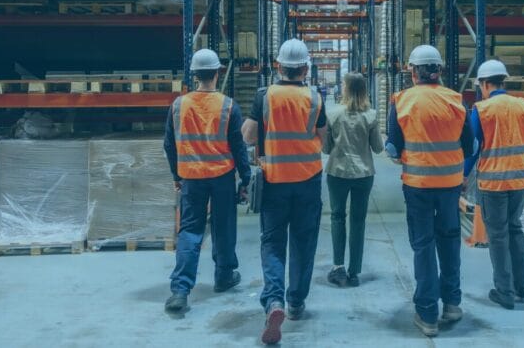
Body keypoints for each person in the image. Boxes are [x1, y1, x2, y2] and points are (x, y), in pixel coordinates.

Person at [241, 39, 327, 345]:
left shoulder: (265, 95)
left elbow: (249, 135)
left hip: (274, 180)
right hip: (308, 181)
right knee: (303, 244)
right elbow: (324, 139)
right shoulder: (316, 97)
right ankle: (296, 303)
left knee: (273, 244)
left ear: (278, 66)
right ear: (305, 67)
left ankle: (274, 301)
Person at [385, 45, 475, 338]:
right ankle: (451, 304)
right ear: (439, 71)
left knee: (423, 246)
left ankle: (427, 315)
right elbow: (470, 146)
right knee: (449, 240)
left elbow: (393, 150)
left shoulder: (401, 101)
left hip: (418, 186)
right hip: (450, 185)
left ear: (413, 72)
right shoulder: (456, 100)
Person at [163, 48, 252, 312]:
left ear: (195, 74)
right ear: (217, 72)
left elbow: (169, 144)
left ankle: (180, 290)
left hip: (191, 178)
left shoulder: (179, 105)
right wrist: (245, 179)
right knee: (224, 229)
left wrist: (176, 175)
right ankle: (224, 277)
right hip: (222, 177)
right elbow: (239, 147)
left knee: (190, 231)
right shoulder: (228, 105)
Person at [463, 59, 524, 310]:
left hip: (494, 182)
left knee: (497, 236)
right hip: (522, 179)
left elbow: (472, 149)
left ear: (484, 84)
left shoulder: (481, 110)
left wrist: (463, 176)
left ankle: (504, 291)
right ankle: (522, 285)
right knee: (515, 228)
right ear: (503, 81)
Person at [323, 72, 384, 288]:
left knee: (337, 217)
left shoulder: (333, 114)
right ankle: (354, 272)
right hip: (363, 174)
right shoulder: (371, 115)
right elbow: (378, 148)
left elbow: (326, 148)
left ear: (346, 89)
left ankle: (338, 267)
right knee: (358, 221)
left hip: (337, 173)